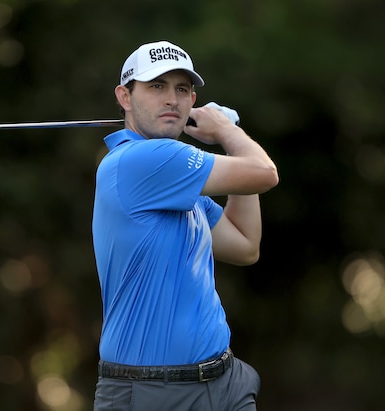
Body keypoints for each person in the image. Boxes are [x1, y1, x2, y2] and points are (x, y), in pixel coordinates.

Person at [91, 40, 279, 411]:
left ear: (193, 100)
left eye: (182, 89)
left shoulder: (181, 187)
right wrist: (228, 132)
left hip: (224, 383)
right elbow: (264, 173)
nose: (172, 100)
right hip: (149, 394)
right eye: (156, 87)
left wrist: (231, 142)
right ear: (124, 97)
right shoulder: (142, 161)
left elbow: (244, 245)